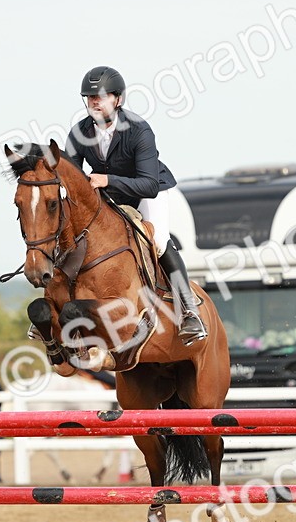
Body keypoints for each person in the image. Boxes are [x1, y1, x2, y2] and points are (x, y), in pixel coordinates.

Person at [64, 65, 206, 346]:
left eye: (100, 97)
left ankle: (189, 311)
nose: (94, 102)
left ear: (117, 99)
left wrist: (107, 180)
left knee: (159, 241)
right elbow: (72, 179)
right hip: (109, 194)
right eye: (90, 97)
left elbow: (148, 184)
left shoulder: (139, 130)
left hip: (147, 192)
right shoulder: (79, 132)